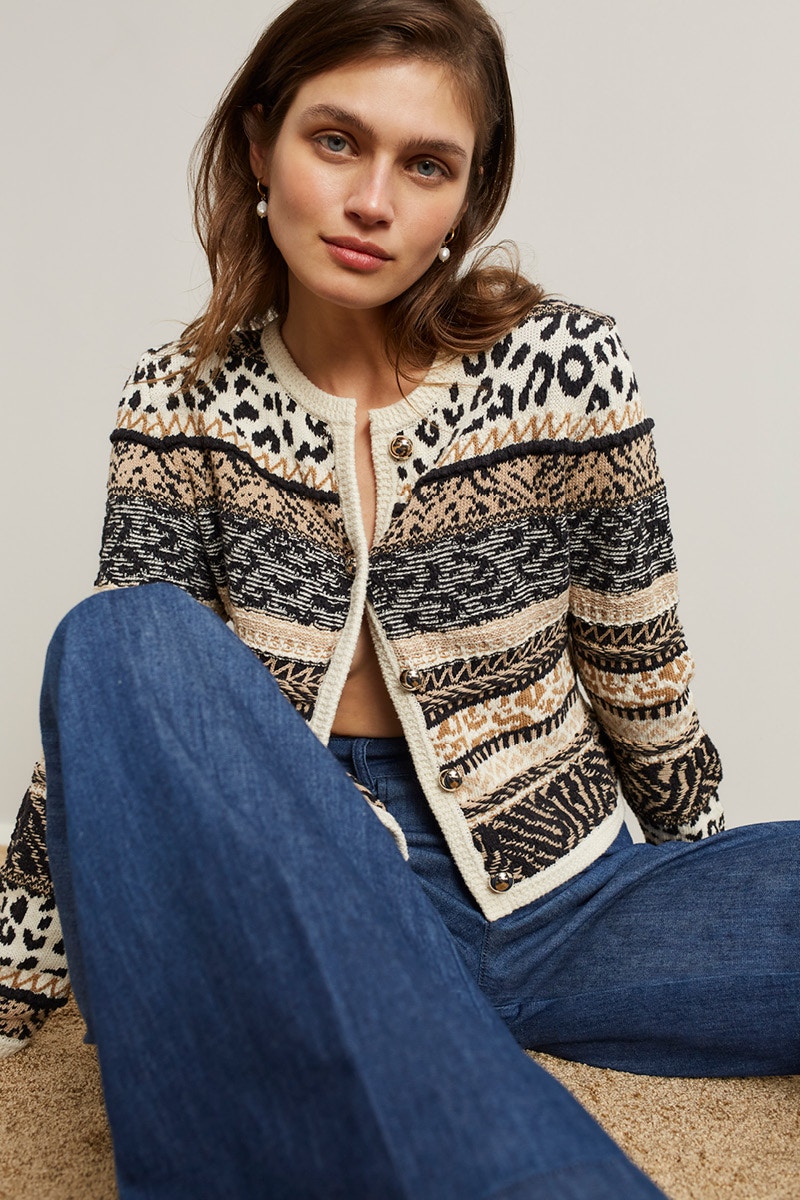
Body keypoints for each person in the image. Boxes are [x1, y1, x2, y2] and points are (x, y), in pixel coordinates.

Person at [0, 0, 797, 1196]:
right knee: (123, 637)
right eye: (336, 141)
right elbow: (124, 737)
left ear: (463, 204)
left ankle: (421, 1024)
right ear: (260, 144)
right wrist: (15, 979)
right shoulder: (181, 397)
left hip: (563, 894)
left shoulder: (564, 368)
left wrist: (693, 875)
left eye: (425, 166)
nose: (374, 201)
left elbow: (636, 652)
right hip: (315, 878)